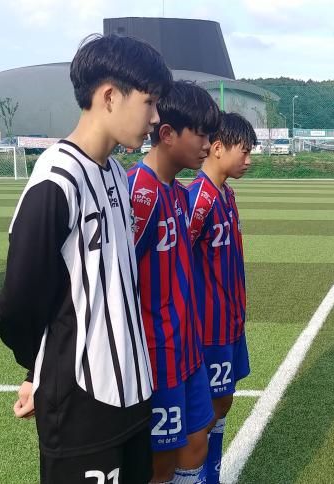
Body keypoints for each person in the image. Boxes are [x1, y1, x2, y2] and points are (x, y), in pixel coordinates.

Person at [0, 34, 172, 484]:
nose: (155, 119)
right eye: (150, 103)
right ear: (109, 96)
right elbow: (18, 304)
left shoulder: (114, 170)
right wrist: (40, 371)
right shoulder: (57, 180)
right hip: (81, 404)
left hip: (134, 392)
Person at [128, 80, 219, 482]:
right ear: (167, 134)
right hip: (156, 357)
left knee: (196, 441)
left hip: (188, 349)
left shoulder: (178, 194)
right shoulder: (138, 194)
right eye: (201, 133)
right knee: (159, 463)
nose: (207, 145)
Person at [187, 112, 255, 484]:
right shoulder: (198, 198)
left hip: (229, 323)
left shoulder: (225, 193)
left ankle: (210, 472)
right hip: (207, 328)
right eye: (243, 152)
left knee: (224, 400)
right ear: (217, 148)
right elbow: (176, 261)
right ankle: (199, 475)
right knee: (207, 408)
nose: (249, 160)